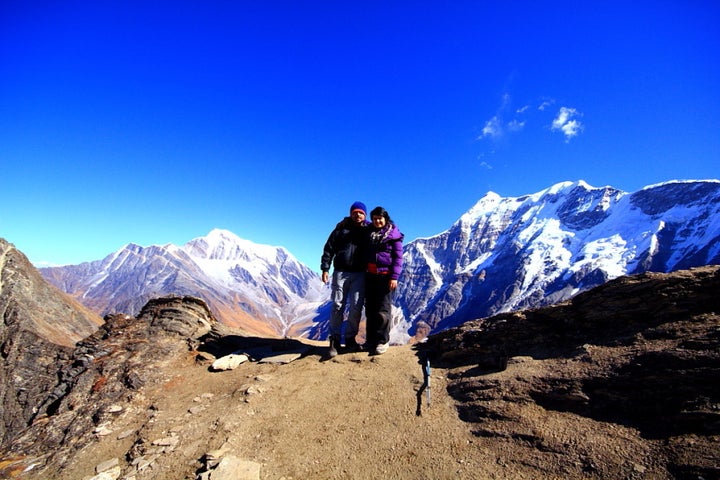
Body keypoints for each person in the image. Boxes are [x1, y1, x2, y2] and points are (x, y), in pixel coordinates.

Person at [320, 201, 370, 358]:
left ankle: (350, 339)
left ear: (365, 215)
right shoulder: (341, 229)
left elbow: (385, 231)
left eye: (361, 213)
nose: (358, 215)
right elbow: (329, 248)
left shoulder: (368, 230)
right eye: (355, 212)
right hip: (341, 272)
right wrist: (325, 268)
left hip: (360, 274)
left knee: (356, 307)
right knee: (337, 305)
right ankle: (334, 341)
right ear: (350, 213)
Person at [364, 206, 404, 355]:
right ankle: (371, 340)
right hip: (370, 276)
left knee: (383, 309)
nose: (377, 221)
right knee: (370, 309)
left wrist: (394, 277)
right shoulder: (369, 232)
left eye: (380, 218)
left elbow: (398, 258)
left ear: (385, 219)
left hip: (385, 276)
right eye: (374, 218)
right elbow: (359, 221)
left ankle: (382, 341)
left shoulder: (394, 236)